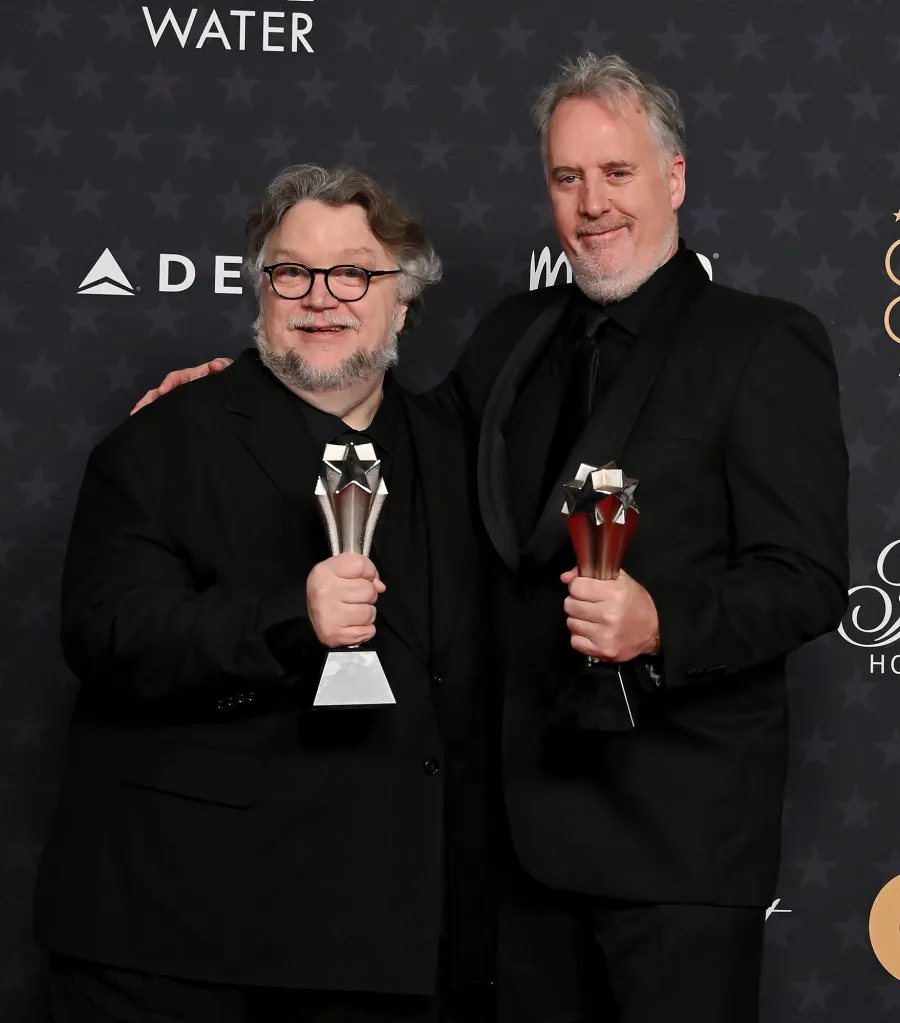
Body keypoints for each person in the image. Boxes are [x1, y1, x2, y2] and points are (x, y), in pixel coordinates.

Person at [134, 53, 849, 1023]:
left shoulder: (763, 343)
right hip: (512, 838)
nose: (592, 202)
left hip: (675, 845)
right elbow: (403, 454)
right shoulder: (513, 332)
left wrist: (661, 621)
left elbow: (805, 578)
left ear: (674, 179)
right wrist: (245, 401)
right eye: (567, 178)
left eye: (617, 173)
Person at [35, 165, 497, 1023]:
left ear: (403, 301)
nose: (321, 296)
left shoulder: (462, 453)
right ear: (262, 290)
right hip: (180, 940)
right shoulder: (164, 438)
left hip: (386, 943)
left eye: (354, 272)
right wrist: (293, 616)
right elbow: (106, 629)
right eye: (292, 272)